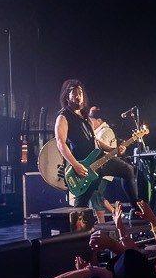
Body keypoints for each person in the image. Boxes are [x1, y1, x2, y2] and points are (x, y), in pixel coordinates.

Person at [54, 78, 129, 210]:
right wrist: (75, 165)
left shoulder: (86, 118)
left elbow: (96, 141)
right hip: (82, 165)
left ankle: (136, 208)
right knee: (82, 201)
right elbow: (61, 143)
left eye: (80, 93)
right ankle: (77, 228)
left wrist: (113, 149)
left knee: (128, 170)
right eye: (75, 94)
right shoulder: (63, 117)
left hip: (97, 161)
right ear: (67, 97)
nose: (79, 97)